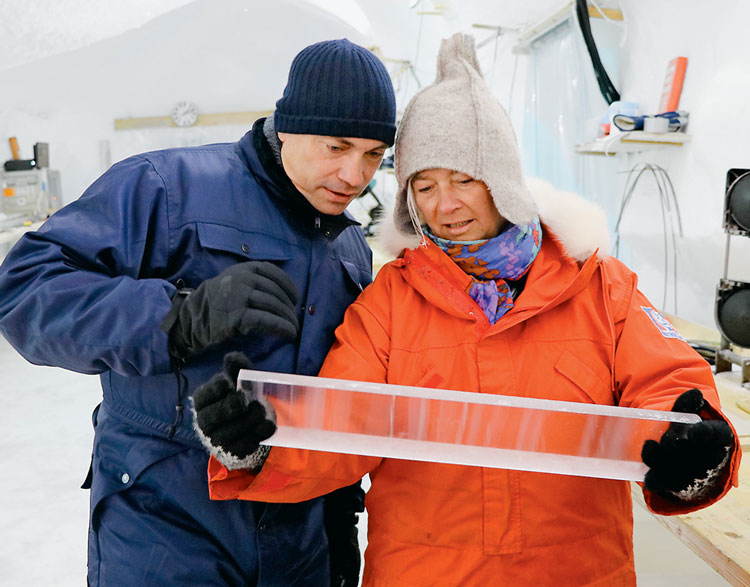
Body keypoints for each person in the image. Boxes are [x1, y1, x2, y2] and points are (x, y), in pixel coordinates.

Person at [191, 33, 741, 586]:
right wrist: (260, 441)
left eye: (463, 179)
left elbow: (668, 379)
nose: (444, 205)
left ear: (501, 180)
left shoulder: (599, 286)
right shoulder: (389, 305)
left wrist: (690, 444)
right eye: (424, 186)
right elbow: (338, 431)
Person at [0, 38, 396, 586]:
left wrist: (338, 529)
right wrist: (175, 320)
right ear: (288, 126)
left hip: (296, 540)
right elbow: (24, 291)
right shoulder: (165, 188)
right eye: (337, 146)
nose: (355, 176)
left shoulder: (349, 249)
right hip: (165, 527)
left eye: (373, 155)